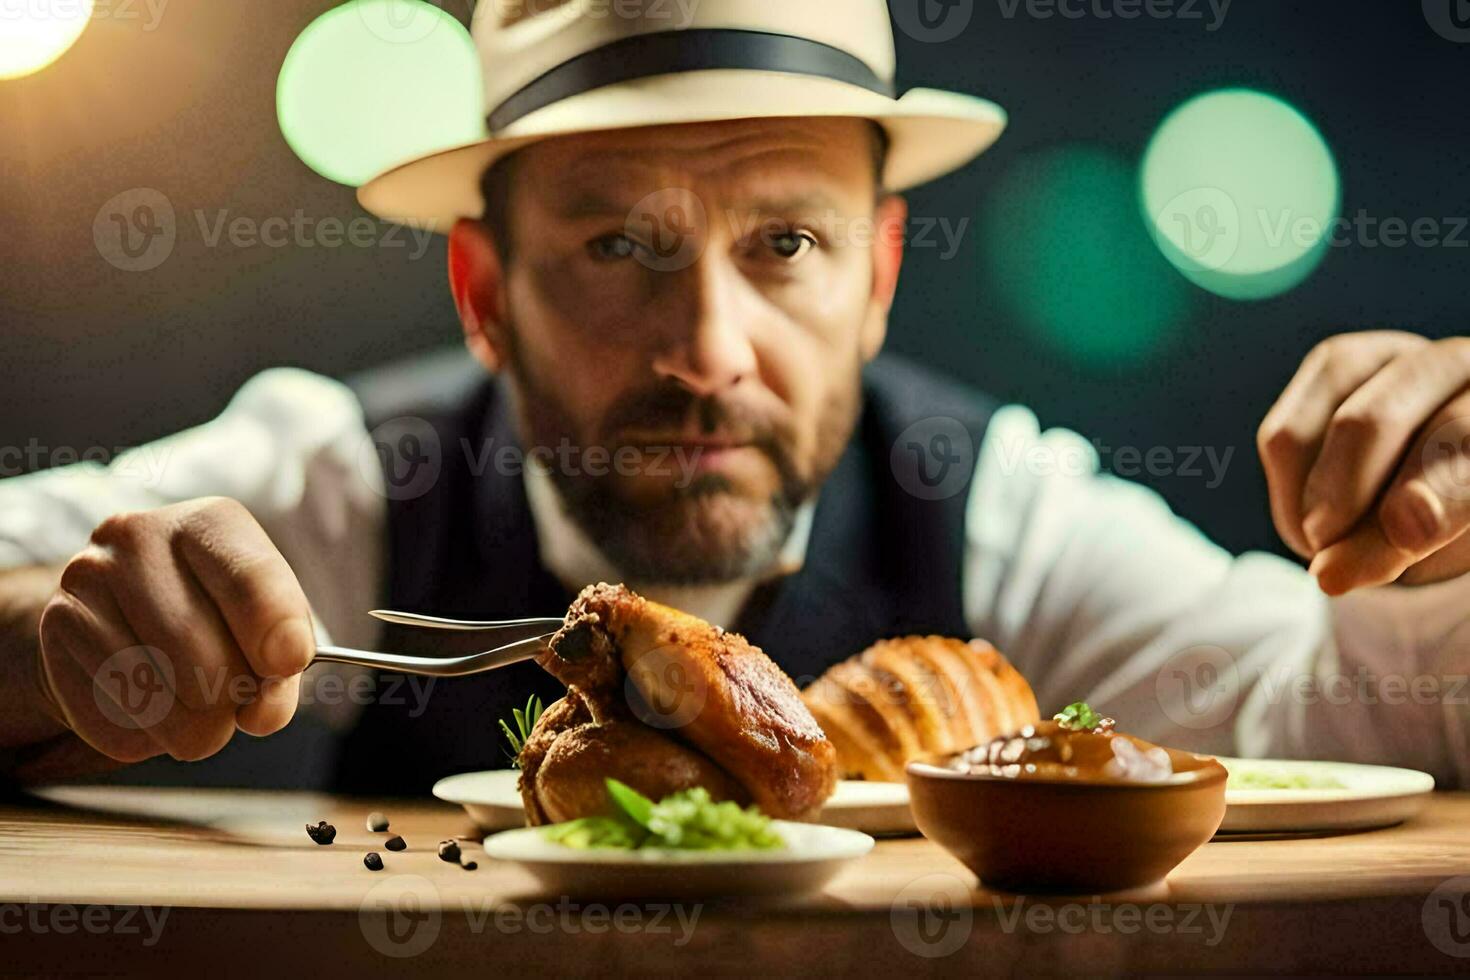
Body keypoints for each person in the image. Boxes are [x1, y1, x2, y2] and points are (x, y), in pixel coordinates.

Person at [1, 0, 1467, 791]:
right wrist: (41, 641)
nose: (705, 350)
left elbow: (1343, 705)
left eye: (783, 243)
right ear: (485, 295)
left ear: (880, 273)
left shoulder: (1001, 509)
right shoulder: (338, 474)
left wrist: (1440, 543)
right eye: (618, 246)